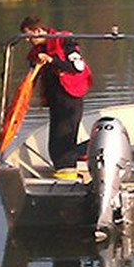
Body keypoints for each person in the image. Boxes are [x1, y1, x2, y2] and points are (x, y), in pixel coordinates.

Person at [21, 16, 92, 180]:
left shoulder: (65, 42)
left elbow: (77, 67)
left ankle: (80, 158)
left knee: (64, 142)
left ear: (38, 31)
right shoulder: (37, 51)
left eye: (29, 36)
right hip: (55, 99)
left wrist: (52, 60)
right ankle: (64, 171)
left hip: (70, 98)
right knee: (54, 144)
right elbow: (32, 73)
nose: (28, 41)